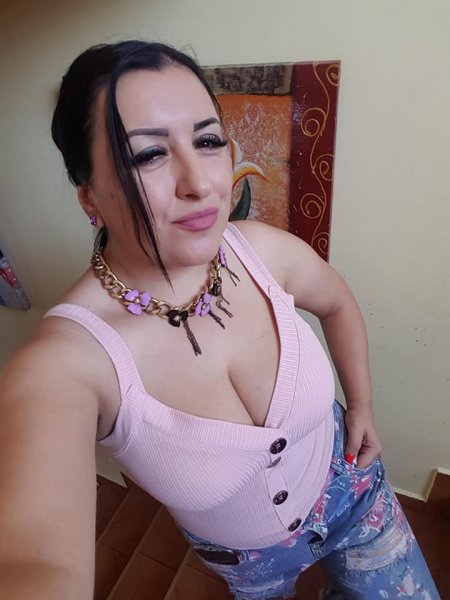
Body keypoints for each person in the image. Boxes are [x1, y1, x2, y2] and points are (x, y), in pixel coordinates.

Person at [0, 40, 440, 600]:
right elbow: (32, 558)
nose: (201, 182)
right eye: (148, 155)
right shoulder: (69, 360)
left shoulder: (262, 250)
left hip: (357, 495)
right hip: (247, 562)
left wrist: (363, 405)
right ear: (89, 198)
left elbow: (337, 302)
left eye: (207, 141)